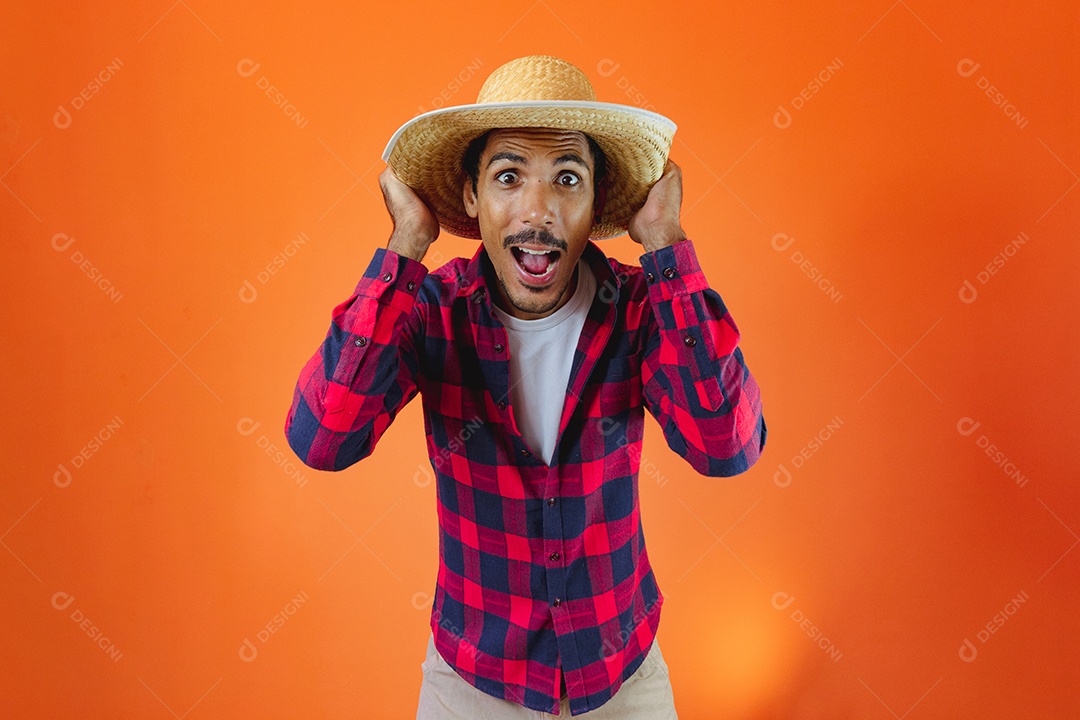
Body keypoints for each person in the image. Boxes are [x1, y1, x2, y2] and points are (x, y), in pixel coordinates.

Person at [284, 54, 767, 718]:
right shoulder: (430, 309)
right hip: (473, 682)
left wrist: (667, 246)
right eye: (509, 177)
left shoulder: (639, 307)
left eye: (567, 178)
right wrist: (403, 247)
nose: (538, 210)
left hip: (622, 677)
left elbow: (728, 447)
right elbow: (322, 437)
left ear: (596, 201)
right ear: (473, 198)